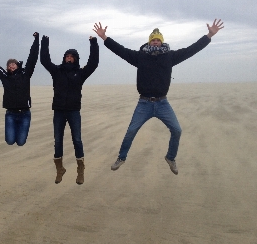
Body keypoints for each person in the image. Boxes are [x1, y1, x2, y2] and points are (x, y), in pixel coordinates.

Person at [93, 19, 224, 175]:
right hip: (144, 103)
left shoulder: (169, 57)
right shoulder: (140, 57)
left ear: (162, 42)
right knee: (131, 131)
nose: (155, 42)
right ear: (150, 42)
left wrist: (209, 35)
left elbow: (191, 50)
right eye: (153, 40)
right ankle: (121, 158)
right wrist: (104, 38)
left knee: (177, 130)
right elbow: (121, 50)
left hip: (163, 103)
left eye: (158, 40)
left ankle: (170, 157)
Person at [40, 34, 99, 185]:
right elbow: (44, 61)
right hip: (58, 111)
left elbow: (93, 63)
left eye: (72, 56)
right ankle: (60, 169)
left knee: (77, 140)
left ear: (76, 59)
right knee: (58, 141)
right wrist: (45, 42)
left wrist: (93, 43)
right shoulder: (57, 71)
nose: (69, 58)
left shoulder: (80, 73)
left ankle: (80, 169)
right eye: (67, 56)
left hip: (73, 111)